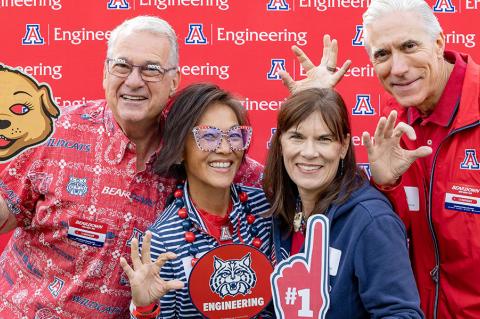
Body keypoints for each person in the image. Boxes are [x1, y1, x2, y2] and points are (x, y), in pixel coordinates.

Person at [0, 16, 263, 319]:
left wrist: (311, 103)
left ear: (174, 81)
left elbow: (282, 183)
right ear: (105, 72)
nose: (134, 81)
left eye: (151, 69)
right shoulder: (58, 132)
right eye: (122, 66)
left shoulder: (193, 146)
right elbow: (6, 214)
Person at [358, 1, 480, 318]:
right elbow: (389, 241)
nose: (397, 67)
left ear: (439, 42)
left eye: (409, 46)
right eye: (382, 54)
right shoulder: (392, 118)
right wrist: (384, 184)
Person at [263, 88, 424, 318]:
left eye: (324, 139)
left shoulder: (371, 220)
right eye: (297, 137)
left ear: (344, 146)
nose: (309, 152)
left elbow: (402, 314)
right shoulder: (279, 211)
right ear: (280, 142)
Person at [119, 83, 273, 318]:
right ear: (180, 150)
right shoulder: (162, 242)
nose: (225, 148)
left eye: (234, 135)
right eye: (208, 137)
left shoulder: (265, 209)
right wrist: (144, 309)